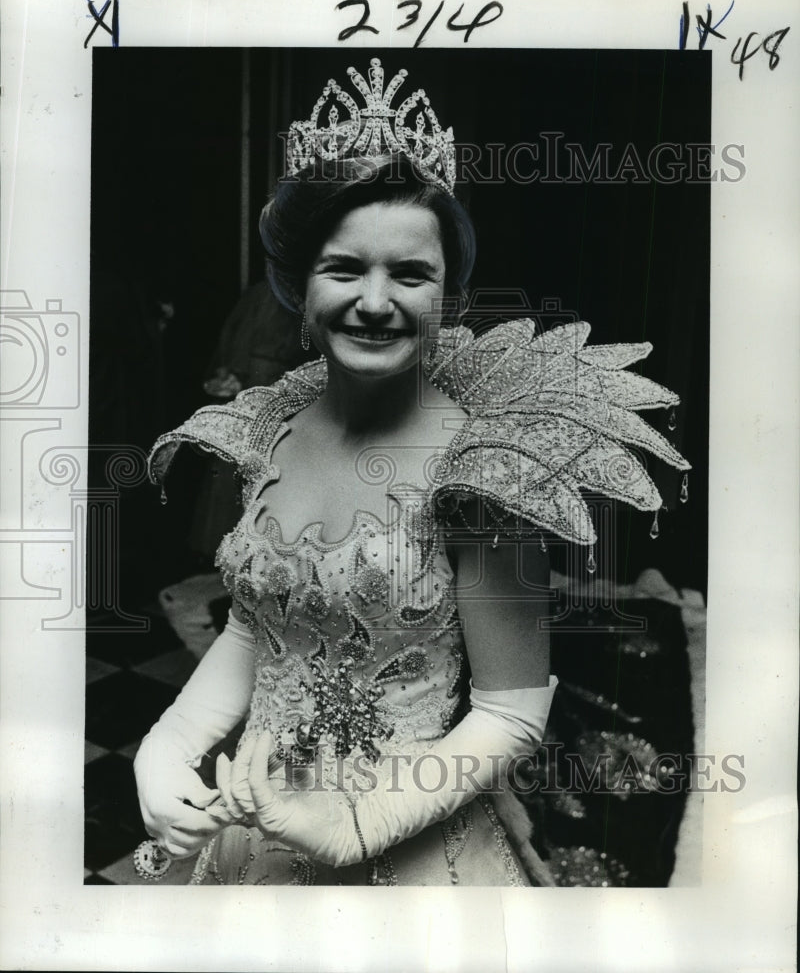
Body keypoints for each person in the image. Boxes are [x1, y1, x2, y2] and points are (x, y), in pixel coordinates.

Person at [134, 58, 690, 886]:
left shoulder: (485, 469)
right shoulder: (270, 429)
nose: (375, 300)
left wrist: (363, 823)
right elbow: (258, 628)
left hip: (413, 839)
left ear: (450, 295)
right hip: (254, 827)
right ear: (298, 285)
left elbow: (510, 710)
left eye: (411, 273)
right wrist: (168, 745)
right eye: (345, 268)